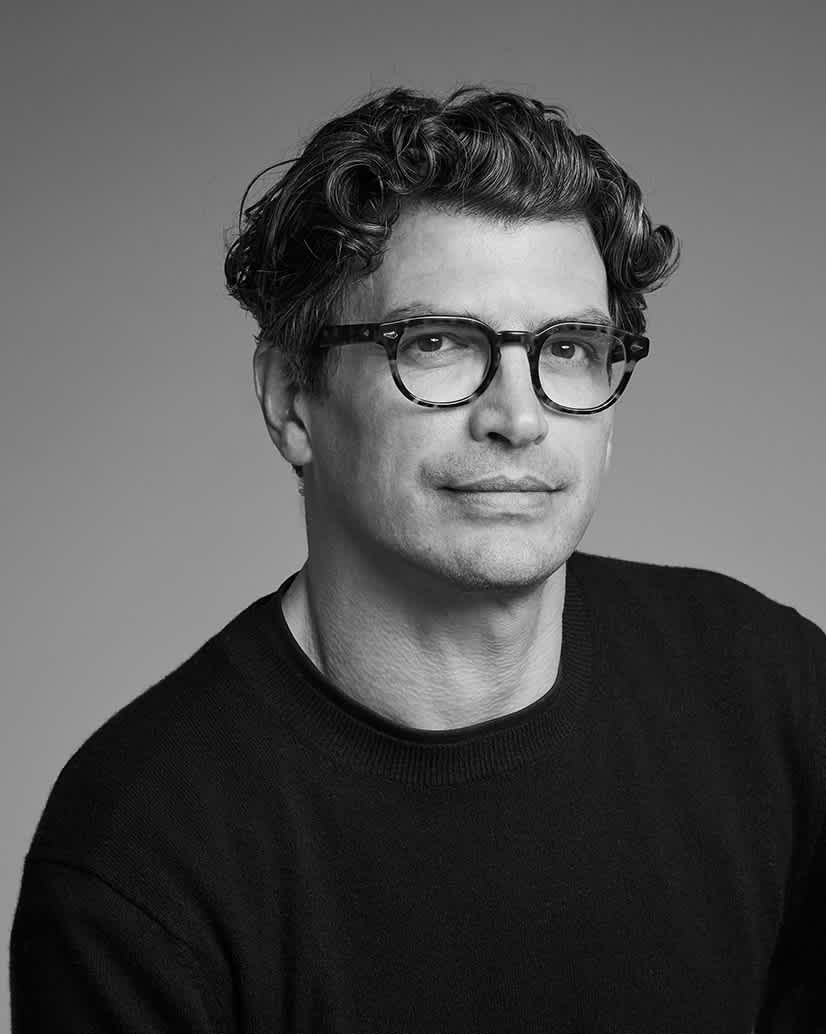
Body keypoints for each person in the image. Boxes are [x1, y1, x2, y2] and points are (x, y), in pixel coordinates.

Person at [9, 85, 825, 1033]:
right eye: (437, 342)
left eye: (568, 347)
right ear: (291, 398)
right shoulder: (140, 856)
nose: (518, 417)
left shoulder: (772, 695)